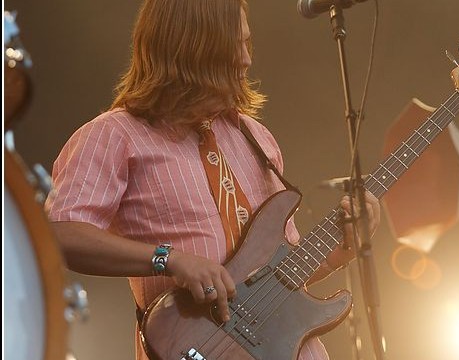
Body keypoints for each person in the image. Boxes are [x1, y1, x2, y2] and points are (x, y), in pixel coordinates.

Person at [44, 1, 380, 359]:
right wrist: (169, 258)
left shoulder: (256, 137)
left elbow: (274, 284)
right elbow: (59, 234)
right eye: (231, 46)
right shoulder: (114, 135)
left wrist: (340, 251)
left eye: (247, 44)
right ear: (189, 48)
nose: (245, 60)